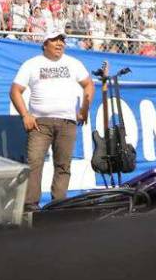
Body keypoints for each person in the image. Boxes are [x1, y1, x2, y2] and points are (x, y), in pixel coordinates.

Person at [9, 33, 94, 209]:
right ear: (45, 43)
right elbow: (15, 90)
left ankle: (58, 205)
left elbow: (88, 84)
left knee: (63, 165)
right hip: (40, 123)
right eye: (55, 40)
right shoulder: (32, 64)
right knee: (34, 162)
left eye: (62, 40)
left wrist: (84, 109)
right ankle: (31, 205)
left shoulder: (73, 63)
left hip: (67, 122)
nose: (59, 44)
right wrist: (25, 115)